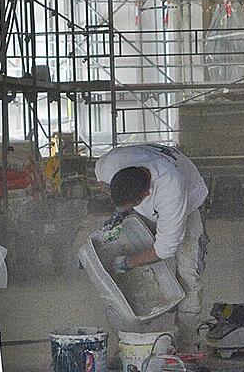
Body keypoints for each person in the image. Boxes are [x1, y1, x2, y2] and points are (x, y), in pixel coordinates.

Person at [95, 144, 209, 352]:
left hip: (188, 205)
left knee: (189, 277)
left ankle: (187, 344)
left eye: (130, 205)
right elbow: (101, 182)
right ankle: (138, 337)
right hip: (145, 198)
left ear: (147, 194)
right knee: (135, 245)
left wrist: (128, 262)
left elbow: (165, 249)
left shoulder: (171, 190)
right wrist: (120, 212)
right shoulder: (113, 163)